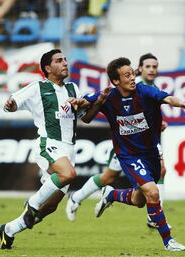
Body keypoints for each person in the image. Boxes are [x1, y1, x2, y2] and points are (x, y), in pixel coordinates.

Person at [76, 57, 185, 251]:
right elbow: (84, 105)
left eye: (132, 73)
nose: (133, 78)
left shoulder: (145, 91)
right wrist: (77, 101)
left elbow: (166, 97)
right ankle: (168, 240)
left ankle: (111, 194)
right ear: (116, 81)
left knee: (139, 200)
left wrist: (179, 103)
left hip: (150, 153)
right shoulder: (108, 96)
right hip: (129, 155)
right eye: (127, 75)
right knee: (153, 192)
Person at [0, 49, 91, 250]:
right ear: (48, 68)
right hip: (49, 142)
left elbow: (86, 116)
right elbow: (12, 104)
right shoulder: (38, 87)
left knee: (49, 207)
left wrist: (97, 101)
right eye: (59, 61)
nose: (65, 63)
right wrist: (10, 105)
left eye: (65, 59)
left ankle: (9, 229)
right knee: (68, 174)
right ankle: (31, 203)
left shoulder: (74, 88)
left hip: (70, 148)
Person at [65, 54, 169, 230]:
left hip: (144, 143)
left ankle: (151, 214)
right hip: (128, 145)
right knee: (108, 177)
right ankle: (77, 197)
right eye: (148, 66)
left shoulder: (151, 87)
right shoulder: (134, 86)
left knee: (158, 173)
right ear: (139, 69)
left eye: (155, 66)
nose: (152, 70)